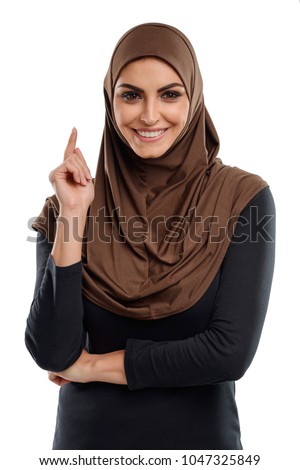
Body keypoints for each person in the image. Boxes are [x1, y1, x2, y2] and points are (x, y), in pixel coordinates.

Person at [25, 22, 275, 450]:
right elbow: (51, 350)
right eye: (131, 94)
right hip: (87, 451)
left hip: (200, 451)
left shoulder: (240, 199)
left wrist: (91, 367)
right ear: (111, 100)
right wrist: (71, 215)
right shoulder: (69, 204)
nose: (149, 115)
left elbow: (229, 353)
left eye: (170, 94)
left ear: (193, 97)